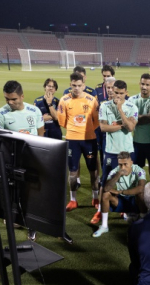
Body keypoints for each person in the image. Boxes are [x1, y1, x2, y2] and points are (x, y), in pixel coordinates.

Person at [0, 80, 44, 241]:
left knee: (33, 192)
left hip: (32, 159)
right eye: (7, 99)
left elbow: (41, 133)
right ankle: (14, 217)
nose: (10, 102)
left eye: (14, 99)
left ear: (22, 96)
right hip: (12, 161)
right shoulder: (0, 115)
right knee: (14, 191)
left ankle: (32, 226)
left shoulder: (34, 111)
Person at [92, 79, 138, 225]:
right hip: (111, 151)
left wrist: (119, 110)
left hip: (127, 151)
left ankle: (128, 210)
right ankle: (100, 209)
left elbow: (130, 128)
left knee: (128, 182)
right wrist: (122, 125)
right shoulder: (104, 106)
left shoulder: (132, 106)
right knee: (106, 182)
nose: (117, 96)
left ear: (126, 93)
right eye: (115, 93)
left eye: (121, 93)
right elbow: (104, 128)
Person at [58, 72, 100, 212]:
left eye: (79, 85)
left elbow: (97, 121)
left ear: (84, 85)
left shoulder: (91, 100)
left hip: (89, 140)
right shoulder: (64, 100)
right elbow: (62, 122)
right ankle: (73, 200)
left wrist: (87, 131)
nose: (76, 88)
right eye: (74, 85)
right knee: (73, 171)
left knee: (93, 171)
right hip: (72, 140)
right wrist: (74, 130)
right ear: (70, 85)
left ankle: (95, 198)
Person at [93, 151, 146, 237]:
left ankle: (144, 222)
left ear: (131, 162)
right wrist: (118, 174)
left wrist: (121, 192)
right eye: (120, 165)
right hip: (121, 201)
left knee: (141, 193)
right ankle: (104, 226)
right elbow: (106, 188)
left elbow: (141, 188)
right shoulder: (115, 171)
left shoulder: (138, 170)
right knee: (105, 194)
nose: (123, 167)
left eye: (125, 164)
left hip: (135, 201)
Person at [129, 74, 150, 179]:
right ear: (139, 84)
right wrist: (145, 118)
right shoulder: (132, 100)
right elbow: (145, 118)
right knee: (136, 170)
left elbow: (149, 117)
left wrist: (135, 119)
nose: (144, 87)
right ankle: (138, 193)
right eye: (142, 84)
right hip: (137, 142)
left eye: (147, 85)